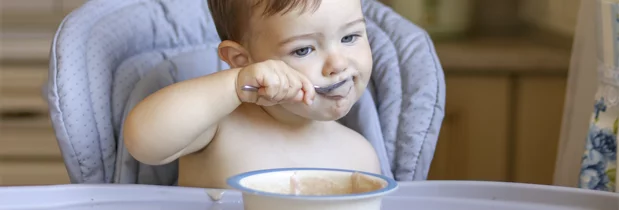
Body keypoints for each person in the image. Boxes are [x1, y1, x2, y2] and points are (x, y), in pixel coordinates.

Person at [122, 0, 381, 189]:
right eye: (303, 50)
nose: (337, 64)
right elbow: (142, 142)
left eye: (350, 37)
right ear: (241, 60)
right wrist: (235, 85)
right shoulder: (220, 128)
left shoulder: (362, 156)